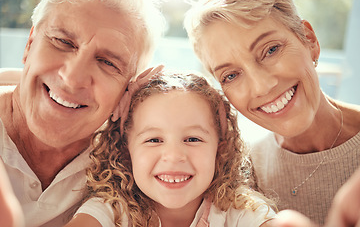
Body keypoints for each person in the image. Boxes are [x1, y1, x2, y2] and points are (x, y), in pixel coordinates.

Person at [184, 0, 360, 225]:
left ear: (309, 40)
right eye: (231, 75)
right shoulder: (239, 176)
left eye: (271, 50)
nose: (262, 87)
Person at [0, 0, 164, 226]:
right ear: (30, 44)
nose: (73, 79)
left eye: (108, 63)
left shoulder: (127, 166)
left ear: (126, 91)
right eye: (63, 42)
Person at [64, 69, 277, 226]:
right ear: (126, 152)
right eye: (154, 140)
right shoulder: (112, 211)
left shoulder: (241, 212)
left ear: (220, 151)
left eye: (193, 139)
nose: (174, 156)